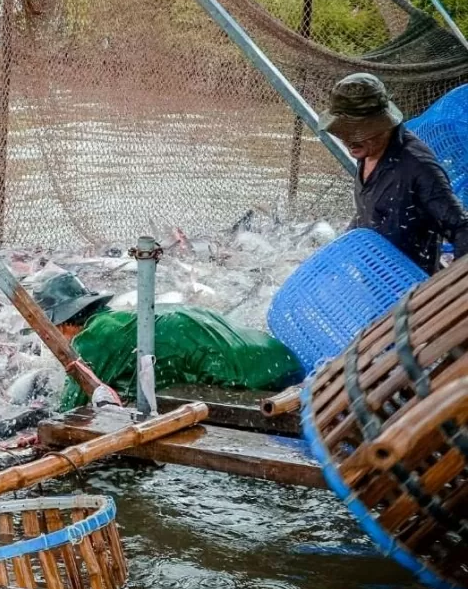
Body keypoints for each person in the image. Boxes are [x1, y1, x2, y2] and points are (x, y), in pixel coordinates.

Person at [36, 272, 303, 411]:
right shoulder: (120, 319)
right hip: (279, 359)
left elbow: (72, 408)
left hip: (252, 380)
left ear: (64, 323)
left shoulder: (92, 338)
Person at [319, 72, 468, 274]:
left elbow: (461, 228)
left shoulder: (419, 167)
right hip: (371, 278)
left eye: (357, 133)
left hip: (408, 286)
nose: (348, 141)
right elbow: (370, 212)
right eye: (343, 133)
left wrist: (447, 291)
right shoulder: (367, 150)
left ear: (383, 124)